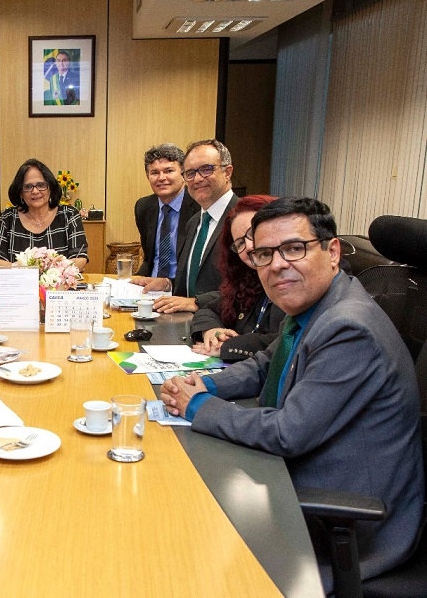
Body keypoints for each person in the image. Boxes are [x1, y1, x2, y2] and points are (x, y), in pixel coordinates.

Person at [161, 197, 424, 593]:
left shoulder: (349, 328)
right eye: (264, 254)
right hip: (298, 480)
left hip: (345, 526)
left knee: (185, 544)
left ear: (332, 252)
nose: (277, 265)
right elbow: (265, 364)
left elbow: (288, 432)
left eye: (294, 248)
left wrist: (197, 406)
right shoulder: (319, 303)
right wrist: (204, 385)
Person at [133, 139, 239, 313]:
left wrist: (196, 302)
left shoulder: (243, 219)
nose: (197, 179)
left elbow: (250, 287)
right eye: (190, 173)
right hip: (183, 314)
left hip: (224, 321)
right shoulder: (196, 222)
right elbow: (192, 279)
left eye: (206, 169)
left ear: (227, 172)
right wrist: (168, 283)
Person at [190, 195, 286, 362]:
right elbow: (209, 310)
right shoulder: (250, 280)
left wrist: (228, 346)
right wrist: (212, 332)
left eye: (253, 234)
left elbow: (284, 341)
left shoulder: (292, 280)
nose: (249, 246)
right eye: (240, 243)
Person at [0, 158, 88, 271]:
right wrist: (27, 272)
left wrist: (50, 274)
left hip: (59, 281)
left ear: (50, 188)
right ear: (20, 193)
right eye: (28, 187)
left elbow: (80, 258)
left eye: (41, 185)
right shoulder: (6, 219)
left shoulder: (69, 215)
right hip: (20, 282)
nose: (35, 191)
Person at [134, 143, 200, 278]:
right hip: (151, 285)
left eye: (169, 171)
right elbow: (149, 259)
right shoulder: (143, 207)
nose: (161, 178)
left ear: (184, 174)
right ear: (147, 176)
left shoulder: (199, 206)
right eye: (154, 173)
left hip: (184, 287)